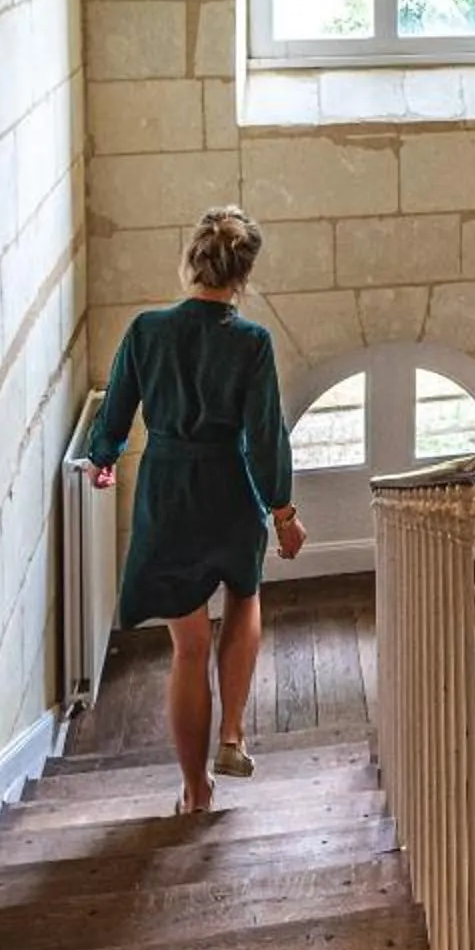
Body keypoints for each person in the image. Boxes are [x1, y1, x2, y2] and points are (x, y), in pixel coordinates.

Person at [86, 204, 306, 809]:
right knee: (245, 592)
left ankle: (195, 790)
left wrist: (104, 457)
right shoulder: (252, 343)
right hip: (229, 485)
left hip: (168, 490)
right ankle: (232, 734)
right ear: (243, 277)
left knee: (187, 647)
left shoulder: (146, 330)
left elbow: (117, 410)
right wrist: (283, 514)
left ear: (190, 262)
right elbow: (266, 435)